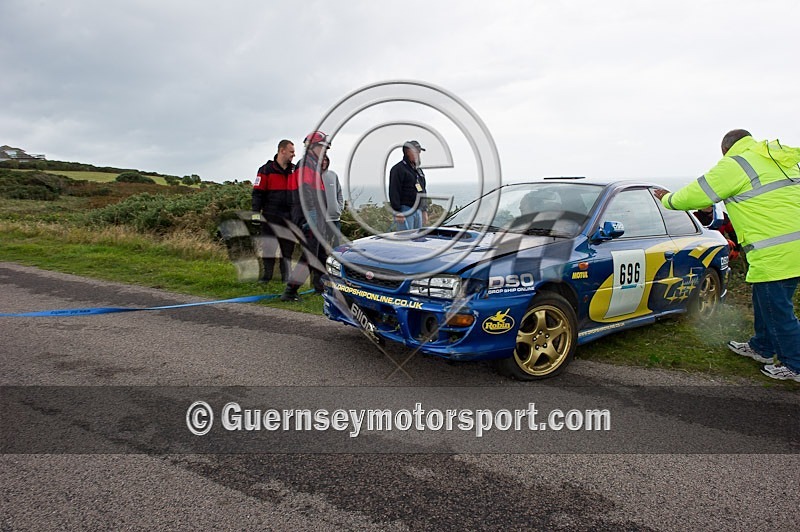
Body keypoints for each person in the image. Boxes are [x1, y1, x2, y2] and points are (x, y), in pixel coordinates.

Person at [656, 129, 800, 382]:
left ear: (725, 149)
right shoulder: (774, 158)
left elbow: (694, 194)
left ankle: (794, 364)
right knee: (765, 301)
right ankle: (762, 347)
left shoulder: (736, 164)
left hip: (776, 252)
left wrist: (666, 199)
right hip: (791, 248)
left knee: (778, 310)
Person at [280, 131, 331, 302]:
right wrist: (312, 217)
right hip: (308, 217)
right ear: (313, 147)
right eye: (322, 147)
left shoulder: (313, 165)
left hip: (315, 217)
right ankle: (290, 291)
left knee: (321, 254)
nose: (325, 151)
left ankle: (321, 286)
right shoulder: (306, 165)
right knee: (310, 255)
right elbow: (306, 193)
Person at [251, 139, 296, 283]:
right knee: (269, 248)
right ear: (282, 151)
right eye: (291, 152)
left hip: (289, 217)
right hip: (270, 216)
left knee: (287, 249)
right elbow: (257, 194)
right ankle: (266, 277)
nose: (293, 155)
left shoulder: (295, 171)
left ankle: (286, 278)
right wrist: (255, 214)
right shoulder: (265, 170)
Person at [389, 140, 428, 230]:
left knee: (417, 239)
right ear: (407, 152)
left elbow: (423, 190)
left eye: (419, 152)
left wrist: (424, 210)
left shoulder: (418, 170)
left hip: (418, 210)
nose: (418, 154)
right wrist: (397, 212)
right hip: (405, 210)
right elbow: (394, 191)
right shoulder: (398, 169)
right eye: (415, 151)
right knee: (406, 239)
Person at [321, 154, 344, 248]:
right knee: (323, 247)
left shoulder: (333, 175)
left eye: (326, 160)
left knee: (337, 247)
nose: (324, 162)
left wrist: (340, 208)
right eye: (321, 160)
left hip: (335, 218)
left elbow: (339, 193)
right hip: (322, 219)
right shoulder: (314, 176)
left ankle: (335, 263)